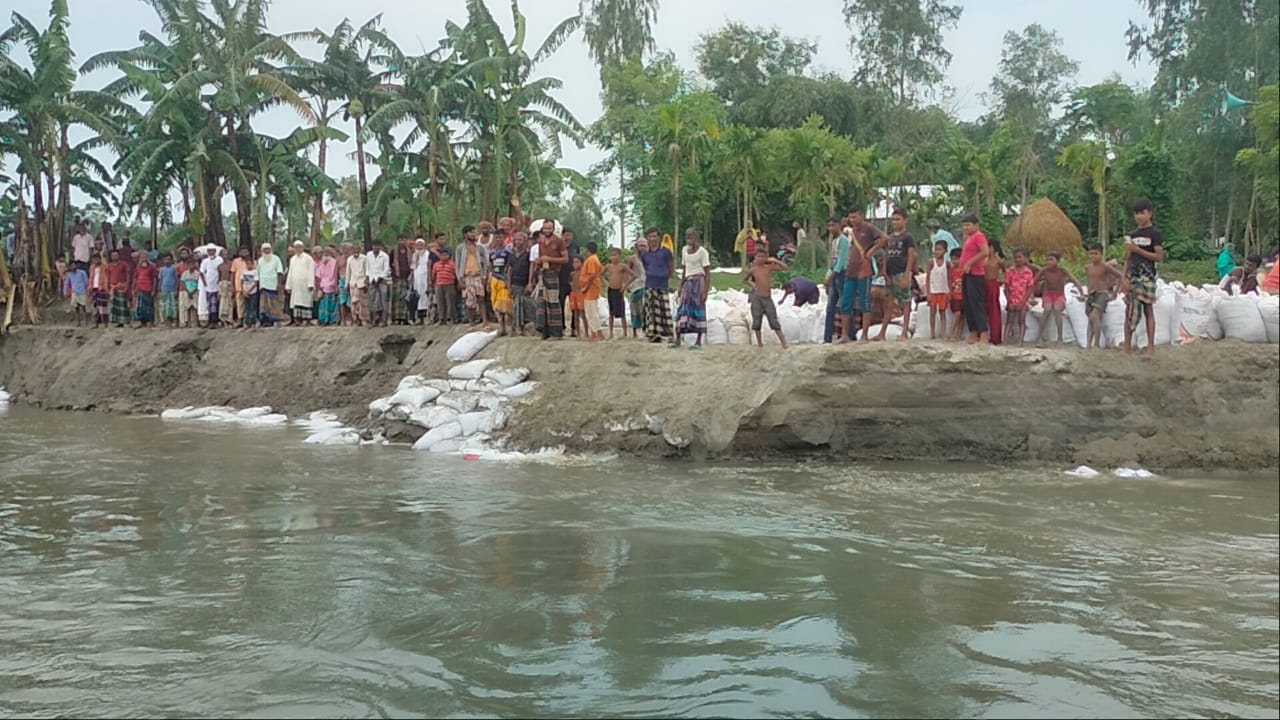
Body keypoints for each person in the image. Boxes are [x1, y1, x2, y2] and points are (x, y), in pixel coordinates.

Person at [1123, 198, 1165, 356]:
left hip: (1147, 277)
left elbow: (1159, 257)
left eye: (1142, 213)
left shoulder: (1155, 234)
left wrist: (1138, 250)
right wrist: (1123, 277)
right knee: (1130, 310)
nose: (1139, 216)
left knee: (1148, 309)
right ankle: (1127, 347)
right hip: (1133, 277)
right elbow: (1128, 258)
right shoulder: (1132, 235)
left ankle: (1150, 347)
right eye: (1136, 213)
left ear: (1150, 213)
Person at [840, 206, 887, 343]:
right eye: (850, 217)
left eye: (854, 217)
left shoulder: (869, 228)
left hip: (864, 270)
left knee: (865, 302)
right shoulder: (852, 231)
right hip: (851, 270)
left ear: (862, 215)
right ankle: (844, 335)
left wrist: (871, 251)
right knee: (846, 302)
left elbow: (884, 238)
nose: (852, 220)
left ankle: (864, 335)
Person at [876, 207, 918, 342]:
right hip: (890, 273)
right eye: (893, 220)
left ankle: (904, 333)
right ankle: (882, 333)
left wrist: (907, 274)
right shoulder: (890, 237)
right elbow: (886, 255)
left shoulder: (908, 237)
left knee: (905, 303)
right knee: (888, 304)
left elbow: (911, 256)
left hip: (901, 273)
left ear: (905, 221)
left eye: (898, 219)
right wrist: (884, 272)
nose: (895, 222)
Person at [1033, 251, 1082, 346]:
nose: (1049, 262)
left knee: (1056, 309)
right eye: (1047, 260)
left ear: (1058, 261)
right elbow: (1032, 282)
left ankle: (1060, 338)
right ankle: (1039, 337)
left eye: (1051, 259)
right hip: (1048, 295)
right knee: (1047, 310)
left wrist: (1082, 293)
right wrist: (1032, 296)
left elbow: (1075, 280)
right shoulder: (1044, 271)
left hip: (1059, 295)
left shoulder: (1063, 271)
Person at [530, 219, 568, 340]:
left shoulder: (558, 241)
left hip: (553, 273)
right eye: (545, 228)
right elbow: (541, 257)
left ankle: (556, 333)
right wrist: (539, 261)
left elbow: (565, 259)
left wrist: (550, 259)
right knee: (542, 303)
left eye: (549, 228)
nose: (547, 230)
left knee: (553, 303)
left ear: (553, 229)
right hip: (543, 272)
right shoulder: (541, 241)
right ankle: (545, 331)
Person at [638, 226, 675, 344]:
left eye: (654, 236)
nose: (652, 239)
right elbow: (645, 266)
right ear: (647, 239)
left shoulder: (666, 252)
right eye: (650, 237)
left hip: (662, 284)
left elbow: (671, 267)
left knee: (664, 309)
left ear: (659, 237)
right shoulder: (644, 254)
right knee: (652, 311)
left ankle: (668, 334)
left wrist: (666, 276)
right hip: (650, 284)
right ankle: (653, 334)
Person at [674, 229, 711, 348]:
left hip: (698, 282)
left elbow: (707, 273)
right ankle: (678, 339)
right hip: (688, 282)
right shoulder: (684, 250)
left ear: (696, 237)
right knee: (682, 309)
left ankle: (698, 341)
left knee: (698, 308)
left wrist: (705, 291)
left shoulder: (702, 252)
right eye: (687, 237)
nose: (689, 239)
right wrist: (681, 286)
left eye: (691, 237)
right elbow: (685, 269)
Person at [747, 248, 789, 348]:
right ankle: (760, 343)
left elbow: (785, 267)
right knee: (757, 321)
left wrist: (775, 260)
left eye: (763, 256)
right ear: (755, 258)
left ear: (766, 258)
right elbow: (745, 279)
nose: (760, 259)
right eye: (758, 256)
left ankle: (783, 343)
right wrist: (753, 285)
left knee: (773, 320)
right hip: (757, 298)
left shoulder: (768, 267)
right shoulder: (753, 270)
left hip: (767, 298)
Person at [1084, 244, 1124, 349]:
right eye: (1091, 253)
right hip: (1091, 294)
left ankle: (1096, 343)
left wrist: (1115, 293)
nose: (1093, 256)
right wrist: (1086, 293)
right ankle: (1088, 344)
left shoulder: (1105, 267)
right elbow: (1089, 281)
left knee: (1094, 316)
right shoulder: (1088, 267)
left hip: (1102, 293)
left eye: (1096, 254)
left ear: (1101, 255)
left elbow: (1120, 276)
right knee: (1090, 320)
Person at [958, 214, 989, 344]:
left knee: (976, 304)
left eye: (968, 225)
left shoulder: (979, 236)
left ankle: (983, 334)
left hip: (976, 274)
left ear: (976, 225)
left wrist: (970, 263)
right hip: (966, 274)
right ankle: (973, 333)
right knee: (968, 304)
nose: (965, 227)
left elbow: (985, 252)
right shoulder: (969, 238)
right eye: (964, 225)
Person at [1003, 248, 1036, 346]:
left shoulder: (1028, 272)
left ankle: (1020, 341)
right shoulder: (1010, 271)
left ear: (1026, 258)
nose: (1017, 259)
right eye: (1015, 257)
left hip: (1023, 300)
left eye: (1020, 257)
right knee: (1009, 320)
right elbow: (1007, 287)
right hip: (1012, 299)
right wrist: (1009, 301)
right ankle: (1005, 340)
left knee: (1021, 321)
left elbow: (1029, 289)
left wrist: (1023, 303)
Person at [823, 217, 848, 343]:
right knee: (830, 307)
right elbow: (831, 261)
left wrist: (831, 276)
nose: (831, 228)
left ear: (839, 225)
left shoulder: (844, 240)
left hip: (841, 274)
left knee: (844, 305)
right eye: (829, 226)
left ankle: (849, 334)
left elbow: (842, 260)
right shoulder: (833, 241)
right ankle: (827, 338)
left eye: (833, 225)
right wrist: (828, 276)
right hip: (834, 274)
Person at [604, 247, 635, 339]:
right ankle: (611, 332)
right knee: (611, 312)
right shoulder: (608, 266)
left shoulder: (622, 266)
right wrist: (606, 283)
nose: (613, 257)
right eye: (612, 255)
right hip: (611, 290)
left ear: (619, 256)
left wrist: (625, 286)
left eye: (615, 255)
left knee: (622, 312)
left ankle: (625, 332)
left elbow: (633, 275)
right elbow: (600, 275)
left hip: (619, 290)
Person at [285, 241, 317, 326]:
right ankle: (297, 320)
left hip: (305, 284)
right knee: (296, 302)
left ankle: (306, 319)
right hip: (296, 285)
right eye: (296, 247)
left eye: (299, 247)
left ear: (302, 248)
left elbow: (311, 271)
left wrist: (311, 284)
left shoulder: (308, 258)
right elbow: (290, 272)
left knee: (306, 301)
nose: (298, 249)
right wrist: (288, 285)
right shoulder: (292, 259)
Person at [579, 242, 606, 342]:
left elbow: (591, 275)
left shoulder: (591, 260)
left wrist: (586, 286)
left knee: (591, 312)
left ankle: (597, 333)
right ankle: (595, 333)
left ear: (587, 250)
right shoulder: (594, 259)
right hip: (592, 288)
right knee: (591, 311)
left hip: (591, 288)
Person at [924, 240, 950, 340]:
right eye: (936, 249)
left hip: (943, 291)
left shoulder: (947, 264)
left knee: (943, 313)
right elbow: (928, 278)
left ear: (945, 251)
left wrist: (949, 291)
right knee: (932, 312)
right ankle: (932, 333)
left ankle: (943, 333)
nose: (937, 252)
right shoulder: (931, 262)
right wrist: (928, 292)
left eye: (940, 250)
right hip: (933, 291)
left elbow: (949, 278)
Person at [508, 232, 532, 335]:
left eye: (520, 240)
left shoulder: (527, 255)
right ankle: (515, 327)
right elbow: (509, 270)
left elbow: (531, 268)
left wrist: (530, 282)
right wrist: (509, 285)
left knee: (523, 306)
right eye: (516, 240)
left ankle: (522, 327)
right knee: (515, 306)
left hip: (524, 283)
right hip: (514, 283)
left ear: (525, 241)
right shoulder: (511, 255)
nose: (518, 242)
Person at [489, 237, 514, 336]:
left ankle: (511, 328)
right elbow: (490, 266)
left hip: (504, 280)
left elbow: (509, 267)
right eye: (497, 237)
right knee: (497, 306)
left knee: (507, 305)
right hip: (495, 279)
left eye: (500, 237)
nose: (498, 239)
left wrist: (508, 281)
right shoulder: (492, 252)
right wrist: (489, 279)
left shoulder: (508, 252)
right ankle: (502, 328)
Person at [256, 243, 285, 326]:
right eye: (265, 249)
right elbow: (257, 273)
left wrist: (279, 284)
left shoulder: (276, 259)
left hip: (273, 284)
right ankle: (266, 321)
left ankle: (275, 320)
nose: (267, 251)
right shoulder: (260, 260)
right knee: (263, 305)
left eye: (268, 249)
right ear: (262, 250)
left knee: (273, 304)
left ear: (271, 249)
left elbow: (280, 272)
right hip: (263, 285)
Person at [985, 239, 1006, 346]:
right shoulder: (983, 259)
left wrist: (1001, 280)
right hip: (983, 284)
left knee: (994, 310)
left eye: (989, 247)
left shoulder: (998, 261)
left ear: (994, 248)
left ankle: (995, 337)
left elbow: (1004, 271)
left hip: (993, 284)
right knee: (984, 309)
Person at [365, 241, 391, 327]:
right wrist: (368, 277)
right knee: (372, 300)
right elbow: (367, 268)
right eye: (374, 246)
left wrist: (380, 278)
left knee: (383, 300)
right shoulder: (368, 255)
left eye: (377, 246)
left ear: (380, 247)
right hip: (372, 280)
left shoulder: (384, 256)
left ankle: (383, 320)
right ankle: (373, 320)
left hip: (382, 280)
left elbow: (386, 269)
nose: (375, 248)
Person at [626, 236, 648, 336]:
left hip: (646, 286)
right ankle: (634, 331)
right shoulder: (632, 259)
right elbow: (626, 272)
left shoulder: (649, 258)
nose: (642, 248)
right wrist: (626, 285)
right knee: (634, 310)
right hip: (635, 287)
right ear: (636, 247)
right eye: (640, 246)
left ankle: (645, 330)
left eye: (644, 246)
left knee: (645, 309)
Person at [431, 247, 459, 325]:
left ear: (448, 256)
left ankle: (452, 319)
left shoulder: (452, 264)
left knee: (450, 302)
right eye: (442, 255)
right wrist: (432, 284)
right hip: (439, 285)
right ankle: (442, 319)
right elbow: (433, 275)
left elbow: (456, 274)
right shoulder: (436, 264)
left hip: (449, 285)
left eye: (445, 255)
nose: (444, 256)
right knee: (440, 303)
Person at [198, 246, 223, 328]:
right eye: (209, 251)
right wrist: (205, 284)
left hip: (217, 284)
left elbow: (221, 271)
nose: (211, 252)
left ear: (215, 251)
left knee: (216, 303)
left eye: (212, 251)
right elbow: (201, 272)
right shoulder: (205, 261)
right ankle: (211, 321)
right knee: (209, 304)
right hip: (208, 286)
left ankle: (216, 321)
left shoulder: (219, 260)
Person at [315, 246, 341, 325]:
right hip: (323, 286)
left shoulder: (334, 262)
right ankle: (324, 320)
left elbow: (336, 274)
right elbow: (318, 276)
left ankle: (332, 320)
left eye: (327, 252)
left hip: (332, 286)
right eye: (325, 252)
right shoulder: (322, 263)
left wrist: (336, 285)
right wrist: (319, 287)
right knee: (323, 304)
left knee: (332, 304)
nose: (326, 254)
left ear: (330, 253)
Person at [344, 244, 368, 326]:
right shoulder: (350, 259)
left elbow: (366, 271)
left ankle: (362, 319)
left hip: (362, 283)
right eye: (354, 249)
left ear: (360, 250)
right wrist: (346, 284)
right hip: (353, 283)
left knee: (362, 303)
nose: (356, 251)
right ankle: (355, 319)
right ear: (352, 250)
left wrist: (366, 283)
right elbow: (348, 272)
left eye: (357, 249)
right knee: (354, 302)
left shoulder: (364, 258)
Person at [107, 250, 131, 328]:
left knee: (122, 304)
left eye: (116, 255)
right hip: (112, 287)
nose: (114, 257)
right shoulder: (109, 265)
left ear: (119, 256)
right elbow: (108, 276)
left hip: (121, 286)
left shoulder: (124, 264)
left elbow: (128, 274)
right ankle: (118, 321)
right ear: (111, 257)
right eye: (113, 255)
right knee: (115, 305)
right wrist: (107, 287)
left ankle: (125, 321)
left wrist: (127, 285)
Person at [391, 238, 413, 325]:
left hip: (407, 277)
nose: (402, 242)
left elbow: (412, 264)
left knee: (405, 298)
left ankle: (405, 318)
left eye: (404, 240)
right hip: (397, 278)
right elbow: (390, 263)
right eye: (400, 240)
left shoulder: (409, 251)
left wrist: (410, 274)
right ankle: (396, 318)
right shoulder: (394, 251)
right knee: (396, 298)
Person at [132, 255, 158, 327]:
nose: (144, 259)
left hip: (148, 289)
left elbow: (155, 279)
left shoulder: (152, 267)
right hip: (140, 289)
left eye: (145, 258)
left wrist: (153, 289)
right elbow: (135, 278)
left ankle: (151, 322)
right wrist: (134, 288)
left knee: (149, 306)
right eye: (142, 258)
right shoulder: (138, 268)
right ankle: (143, 322)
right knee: (141, 307)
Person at [412, 238, 432, 325]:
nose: (420, 247)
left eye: (421, 245)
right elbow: (413, 267)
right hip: (417, 278)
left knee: (425, 297)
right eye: (418, 245)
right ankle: (419, 318)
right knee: (417, 296)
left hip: (425, 277)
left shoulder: (428, 254)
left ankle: (426, 317)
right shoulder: (415, 255)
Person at [62, 260, 89, 326]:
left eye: (74, 265)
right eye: (72, 266)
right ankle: (78, 322)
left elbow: (86, 281)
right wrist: (65, 292)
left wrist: (85, 289)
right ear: (70, 267)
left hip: (82, 291)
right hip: (74, 292)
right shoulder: (69, 275)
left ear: (76, 266)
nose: (73, 267)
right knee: (76, 308)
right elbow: (66, 284)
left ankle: (85, 321)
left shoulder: (82, 272)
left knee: (83, 307)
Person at [229, 247, 251, 326]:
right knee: (239, 304)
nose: (244, 253)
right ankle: (240, 320)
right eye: (242, 252)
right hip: (238, 286)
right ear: (239, 253)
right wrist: (232, 285)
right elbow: (232, 274)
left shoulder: (251, 261)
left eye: (245, 251)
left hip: (249, 287)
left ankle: (248, 320)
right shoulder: (235, 261)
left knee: (249, 304)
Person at [156, 254, 178, 328]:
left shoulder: (174, 268)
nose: (167, 261)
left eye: (168, 259)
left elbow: (177, 279)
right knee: (165, 306)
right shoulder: (162, 269)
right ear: (163, 260)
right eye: (165, 259)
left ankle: (175, 322)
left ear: (171, 260)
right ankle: (167, 323)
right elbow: (160, 280)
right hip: (164, 290)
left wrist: (176, 290)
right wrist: (159, 290)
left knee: (173, 306)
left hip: (172, 289)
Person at [88, 253, 110, 328]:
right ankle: (96, 323)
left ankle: (105, 323)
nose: (96, 260)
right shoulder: (91, 267)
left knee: (103, 306)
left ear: (100, 259)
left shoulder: (104, 266)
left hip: (102, 288)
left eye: (97, 259)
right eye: (94, 259)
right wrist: (89, 288)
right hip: (94, 288)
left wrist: (107, 288)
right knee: (95, 307)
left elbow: (107, 278)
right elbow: (91, 278)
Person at [567, 255, 587, 338]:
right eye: (574, 262)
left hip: (581, 294)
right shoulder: (572, 273)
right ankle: (578, 332)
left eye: (577, 262)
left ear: (582, 263)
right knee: (575, 314)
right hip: (573, 294)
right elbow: (569, 281)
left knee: (583, 314)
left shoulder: (583, 273)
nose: (574, 264)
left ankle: (586, 332)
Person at [179, 259, 201, 328]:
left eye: (193, 264)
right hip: (187, 292)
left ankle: (197, 322)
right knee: (188, 307)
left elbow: (199, 284)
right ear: (188, 265)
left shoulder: (197, 273)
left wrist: (193, 291)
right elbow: (183, 283)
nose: (191, 266)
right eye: (190, 264)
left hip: (195, 292)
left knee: (195, 307)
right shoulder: (185, 273)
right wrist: (188, 291)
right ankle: (188, 323)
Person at [239, 257, 259, 328]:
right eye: (247, 264)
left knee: (253, 307)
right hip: (245, 293)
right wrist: (244, 291)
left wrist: (249, 291)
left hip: (253, 293)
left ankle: (254, 321)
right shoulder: (244, 272)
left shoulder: (255, 272)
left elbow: (255, 283)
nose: (249, 265)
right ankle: (247, 322)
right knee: (247, 308)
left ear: (253, 264)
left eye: (250, 264)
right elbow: (241, 282)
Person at [216, 248, 234, 326]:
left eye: (226, 254)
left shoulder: (232, 264)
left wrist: (232, 285)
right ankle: (223, 319)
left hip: (229, 283)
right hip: (222, 284)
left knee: (229, 302)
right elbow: (219, 277)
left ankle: (229, 318)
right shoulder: (220, 266)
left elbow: (232, 275)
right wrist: (218, 288)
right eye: (223, 254)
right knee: (222, 302)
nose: (225, 256)